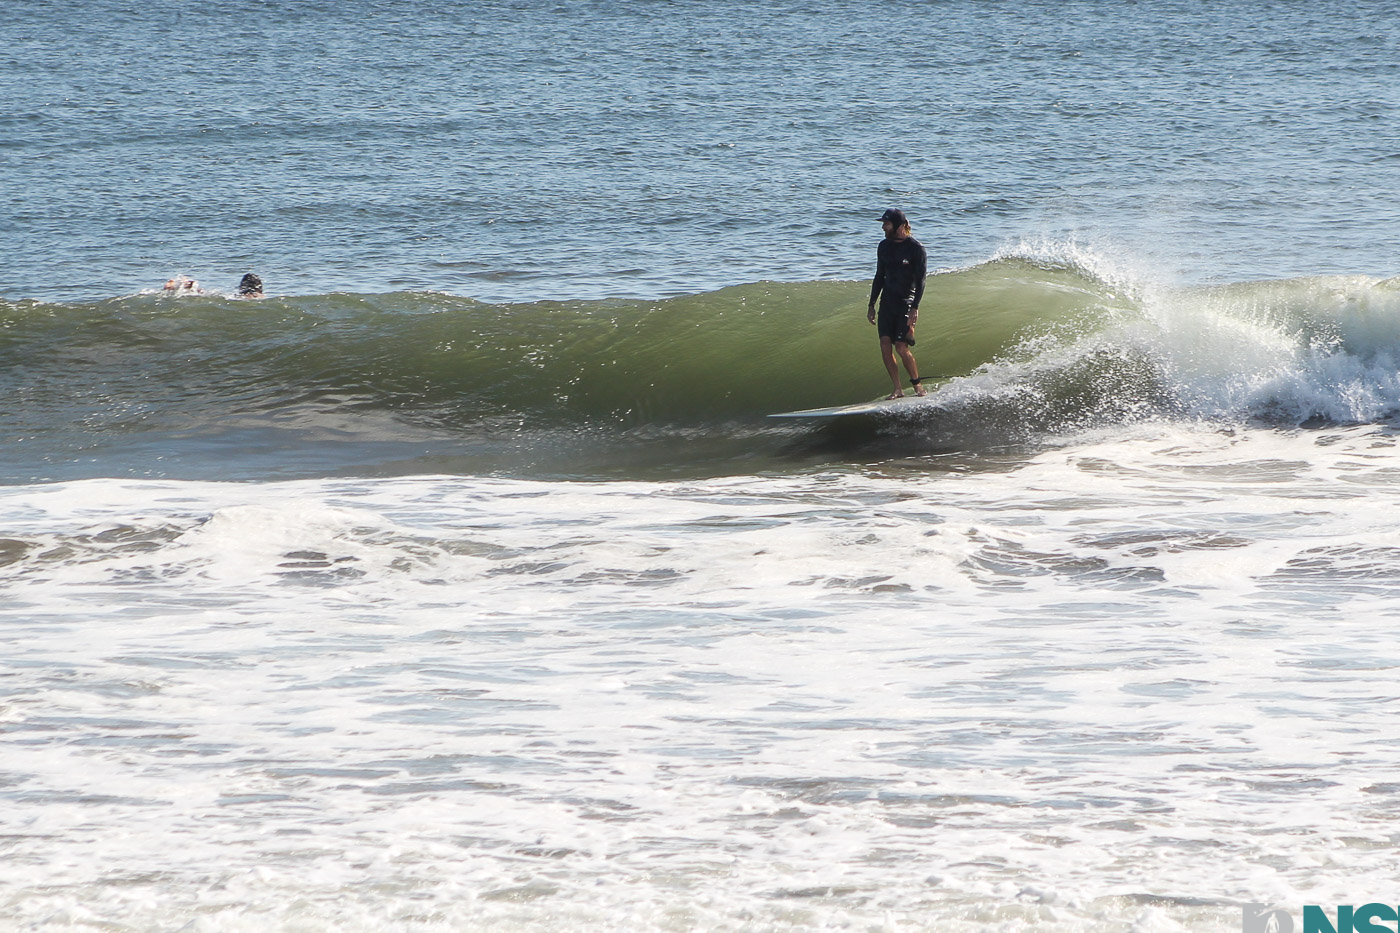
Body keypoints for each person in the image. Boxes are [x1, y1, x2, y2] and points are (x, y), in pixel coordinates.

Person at [867, 208, 927, 398]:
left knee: (901, 347)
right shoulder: (883, 246)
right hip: (887, 303)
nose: (883, 228)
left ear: (900, 226)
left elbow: (921, 281)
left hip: (905, 303)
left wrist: (915, 307)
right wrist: (871, 304)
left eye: (887, 224)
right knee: (885, 345)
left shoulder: (916, 248)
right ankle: (898, 389)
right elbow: (879, 276)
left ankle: (917, 386)